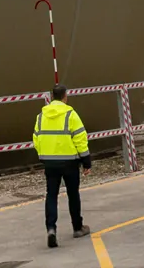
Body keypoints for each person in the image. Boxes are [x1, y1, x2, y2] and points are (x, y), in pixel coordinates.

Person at [31, 83, 91, 248]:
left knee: (51, 195)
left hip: (50, 163)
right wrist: (86, 160)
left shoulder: (41, 116)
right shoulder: (70, 114)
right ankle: (77, 227)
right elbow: (80, 138)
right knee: (73, 193)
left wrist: (44, 156)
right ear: (65, 96)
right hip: (70, 161)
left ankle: (51, 229)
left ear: (51, 97)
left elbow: (36, 138)